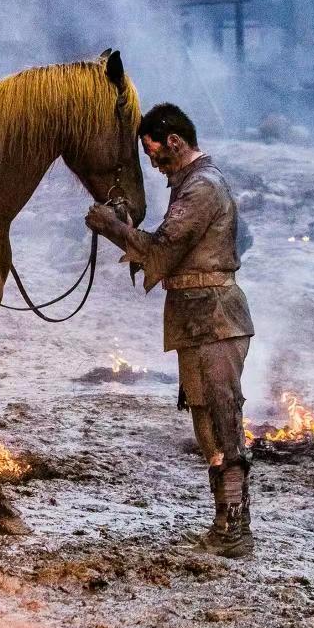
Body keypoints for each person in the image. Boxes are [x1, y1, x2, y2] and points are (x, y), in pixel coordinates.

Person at [84, 103, 255, 558]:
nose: (155, 166)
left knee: (223, 418)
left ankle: (237, 530)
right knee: (205, 421)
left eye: (155, 154)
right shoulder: (193, 186)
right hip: (195, 317)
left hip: (215, 318)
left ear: (174, 143)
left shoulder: (202, 188)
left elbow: (162, 249)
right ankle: (225, 523)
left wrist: (111, 226)